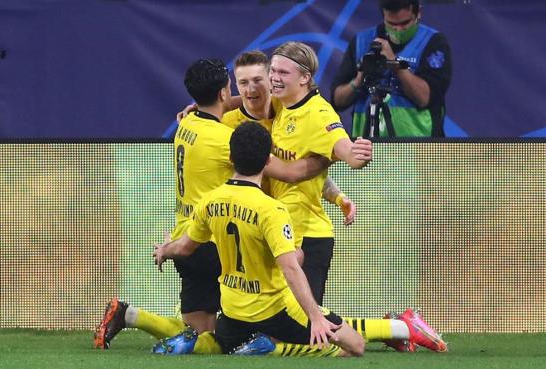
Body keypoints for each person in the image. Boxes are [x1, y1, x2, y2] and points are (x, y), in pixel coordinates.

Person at [95, 58, 338, 350]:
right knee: (271, 322)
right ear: (225, 92)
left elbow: (224, 104)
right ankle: (393, 329)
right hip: (216, 238)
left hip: (185, 237)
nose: (246, 90)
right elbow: (291, 172)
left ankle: (130, 314)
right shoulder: (226, 138)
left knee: (198, 333)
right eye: (238, 84)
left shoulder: (187, 123)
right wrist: (329, 153)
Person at [152, 122, 447, 356]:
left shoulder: (209, 201)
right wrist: (315, 316)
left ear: (230, 159)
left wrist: (166, 249)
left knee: (220, 342)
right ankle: (278, 350)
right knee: (352, 347)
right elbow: (292, 267)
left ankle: (196, 345)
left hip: (232, 310)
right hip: (274, 309)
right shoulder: (271, 209)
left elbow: (186, 246)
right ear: (269, 161)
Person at [266, 41, 372, 305]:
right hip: (282, 229)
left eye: (283, 73)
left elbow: (344, 149)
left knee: (307, 324)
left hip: (308, 236)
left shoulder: (318, 113)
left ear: (305, 78)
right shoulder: (282, 103)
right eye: (273, 70)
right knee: (285, 322)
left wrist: (355, 155)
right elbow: (313, 169)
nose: (275, 78)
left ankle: (396, 327)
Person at [223, 50, 357, 227]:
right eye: (243, 82)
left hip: (288, 226)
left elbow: (302, 159)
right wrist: (204, 108)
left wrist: (338, 197)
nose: (251, 89)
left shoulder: (285, 109)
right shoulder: (227, 126)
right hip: (246, 226)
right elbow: (292, 172)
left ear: (269, 80)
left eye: (257, 80)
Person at [331, 0, 452, 137]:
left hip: (417, 149)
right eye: (392, 24)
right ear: (384, 16)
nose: (398, 29)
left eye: (405, 23)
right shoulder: (362, 41)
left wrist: (394, 63)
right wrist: (359, 79)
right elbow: (337, 101)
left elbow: (423, 98)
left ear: (418, 12)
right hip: (365, 148)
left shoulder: (433, 42)